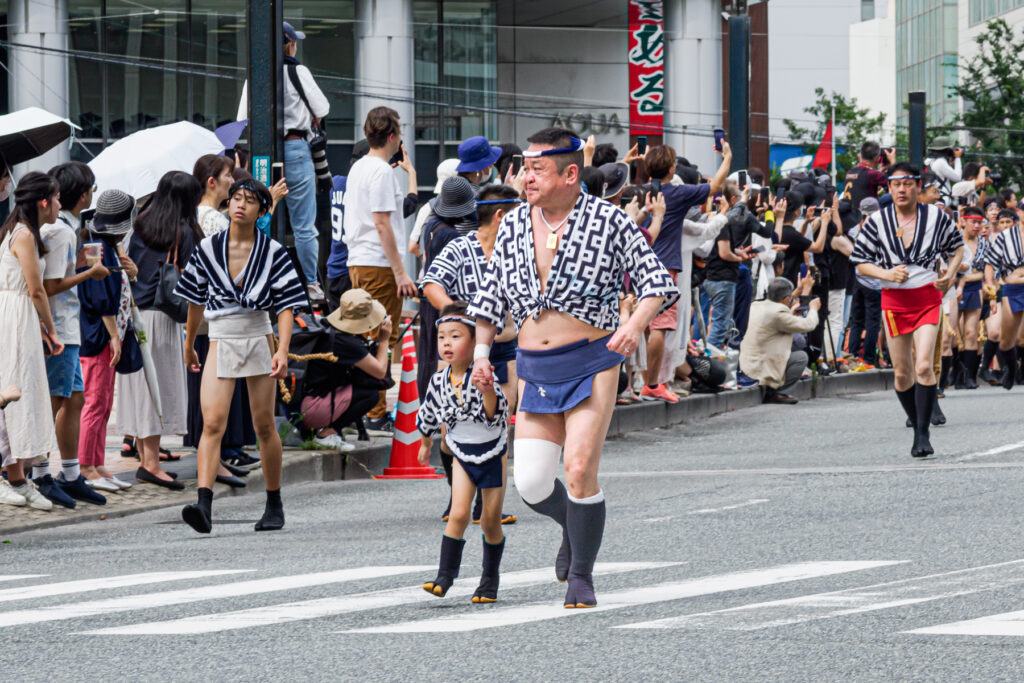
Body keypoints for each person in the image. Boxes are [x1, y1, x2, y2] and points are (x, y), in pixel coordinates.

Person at [468, 128, 677, 607]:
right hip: (534, 363)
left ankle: (582, 576)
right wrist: (481, 354)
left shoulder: (609, 221)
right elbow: (490, 296)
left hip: (593, 356)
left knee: (580, 467)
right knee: (533, 483)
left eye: (536, 168)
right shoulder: (515, 223)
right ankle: (572, 524)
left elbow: (655, 282)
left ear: (569, 172)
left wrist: (634, 327)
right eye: (524, 167)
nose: (526, 177)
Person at [176, 178, 306, 534]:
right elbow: (195, 300)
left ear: (262, 211)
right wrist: (189, 343)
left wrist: (281, 349)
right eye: (236, 198)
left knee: (264, 425)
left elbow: (285, 305)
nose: (240, 205)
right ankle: (203, 504)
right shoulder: (206, 249)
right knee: (212, 422)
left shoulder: (274, 251)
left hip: (258, 334)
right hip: (220, 336)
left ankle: (274, 502)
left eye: (250, 201)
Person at [422, 183, 521, 525]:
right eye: (517, 214)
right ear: (500, 216)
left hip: (503, 345)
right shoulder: (460, 248)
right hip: (462, 349)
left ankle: (487, 506)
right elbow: (431, 283)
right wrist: (454, 315)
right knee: (455, 429)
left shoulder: (519, 252)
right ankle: (459, 496)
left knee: (496, 425)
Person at [851, 162, 964, 457]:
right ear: (889, 188)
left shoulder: (937, 217)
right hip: (894, 301)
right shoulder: (877, 221)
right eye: (896, 184)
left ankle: (922, 434)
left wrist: (950, 275)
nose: (901, 189)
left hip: (927, 297)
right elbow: (860, 261)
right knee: (902, 374)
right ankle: (916, 419)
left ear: (917, 186)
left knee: (924, 365)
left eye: (907, 183)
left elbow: (957, 247)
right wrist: (886, 275)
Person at [32, 162, 116, 506]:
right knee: (53, 402)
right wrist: (89, 273)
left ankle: (69, 472)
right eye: (92, 190)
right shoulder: (62, 232)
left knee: (74, 399)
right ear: (82, 195)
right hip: (60, 329)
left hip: (67, 328)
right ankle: (40, 472)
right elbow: (49, 285)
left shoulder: (65, 230)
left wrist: (79, 264)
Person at [418, 303, 509, 603]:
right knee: (458, 514)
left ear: (475, 343)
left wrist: (487, 392)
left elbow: (495, 414)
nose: (447, 343)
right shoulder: (438, 381)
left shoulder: (484, 376)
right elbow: (429, 414)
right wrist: (425, 443)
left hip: (491, 450)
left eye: (455, 336)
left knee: (490, 521)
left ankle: (489, 579)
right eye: (442, 337)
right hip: (460, 451)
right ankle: (444, 576)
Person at [117, 174, 202, 490]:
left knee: (142, 388)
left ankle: (145, 459)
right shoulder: (182, 231)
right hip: (163, 319)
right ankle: (151, 464)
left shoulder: (138, 225)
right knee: (158, 389)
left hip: (135, 318)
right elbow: (194, 282)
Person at [237, 21, 329, 302]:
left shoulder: (255, 74)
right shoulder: (297, 70)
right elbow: (322, 107)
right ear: (288, 43)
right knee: (303, 225)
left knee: (262, 213)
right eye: (294, 41)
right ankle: (311, 283)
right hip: (297, 148)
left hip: (265, 154)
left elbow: (242, 116)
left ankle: (260, 274)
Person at [343, 106, 418, 431]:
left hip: (358, 260)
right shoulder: (383, 171)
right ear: (392, 136)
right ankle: (375, 411)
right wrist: (401, 272)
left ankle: (363, 409)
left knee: (364, 333)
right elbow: (383, 222)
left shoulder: (359, 167)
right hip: (378, 262)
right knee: (381, 333)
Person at [187, 157, 261, 476]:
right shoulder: (215, 221)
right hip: (224, 317)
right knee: (218, 396)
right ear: (211, 182)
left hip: (208, 316)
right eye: (228, 176)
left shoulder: (196, 216)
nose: (233, 182)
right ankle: (217, 464)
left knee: (209, 395)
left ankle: (218, 461)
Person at [641, 142, 730, 402]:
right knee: (659, 326)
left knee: (640, 325)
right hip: (663, 268)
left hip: (635, 266)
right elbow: (715, 187)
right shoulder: (677, 194)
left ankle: (638, 380)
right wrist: (727, 157)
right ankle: (652, 384)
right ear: (672, 169)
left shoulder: (638, 193)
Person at [0, 172, 67, 510]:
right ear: (43, 202)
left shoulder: (19, 230)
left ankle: (16, 477)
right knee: (14, 390)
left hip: (18, 315)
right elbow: (36, 288)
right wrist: (52, 329)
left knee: (19, 390)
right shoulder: (24, 234)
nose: (59, 204)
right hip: (16, 315)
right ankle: (8, 477)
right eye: (55, 198)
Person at [76, 191, 142, 496]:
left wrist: (130, 271)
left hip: (103, 335)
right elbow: (99, 296)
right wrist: (114, 334)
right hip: (98, 337)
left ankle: (97, 463)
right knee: (96, 403)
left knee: (103, 404)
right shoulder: (95, 246)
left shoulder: (107, 246)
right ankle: (86, 466)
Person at [301, 289, 393, 449]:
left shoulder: (331, 330)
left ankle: (327, 430)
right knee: (370, 395)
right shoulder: (346, 343)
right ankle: (327, 434)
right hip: (312, 409)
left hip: (303, 402)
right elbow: (379, 372)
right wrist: (384, 340)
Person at [417, 176, 480, 400]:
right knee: (444, 354)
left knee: (427, 353)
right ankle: (438, 401)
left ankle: (425, 400)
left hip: (428, 297)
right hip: (443, 300)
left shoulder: (432, 224)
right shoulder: (451, 235)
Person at [740, 276, 819, 404]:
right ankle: (778, 392)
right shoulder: (778, 313)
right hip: (762, 368)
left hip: (747, 365)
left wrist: (792, 309)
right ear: (786, 299)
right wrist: (814, 309)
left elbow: (775, 322)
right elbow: (808, 325)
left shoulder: (756, 305)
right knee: (801, 357)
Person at [984, 205, 1024, 391]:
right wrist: (991, 286)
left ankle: (1019, 372)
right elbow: (990, 264)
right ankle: (1010, 367)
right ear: (1019, 212)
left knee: (1023, 338)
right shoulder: (1006, 237)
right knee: (1007, 340)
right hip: (1013, 288)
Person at [846, 197, 884, 369]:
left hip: (857, 277)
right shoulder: (881, 226)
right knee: (873, 322)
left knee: (857, 320)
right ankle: (868, 359)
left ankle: (852, 357)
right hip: (874, 281)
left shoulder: (855, 227)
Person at [955, 207, 989, 389]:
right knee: (953, 334)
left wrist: (968, 275)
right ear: (963, 221)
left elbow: (983, 273)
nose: (977, 226)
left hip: (975, 289)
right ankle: (955, 372)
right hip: (954, 289)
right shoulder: (954, 239)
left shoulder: (984, 244)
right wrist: (970, 274)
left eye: (979, 222)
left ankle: (970, 375)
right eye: (973, 222)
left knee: (971, 332)